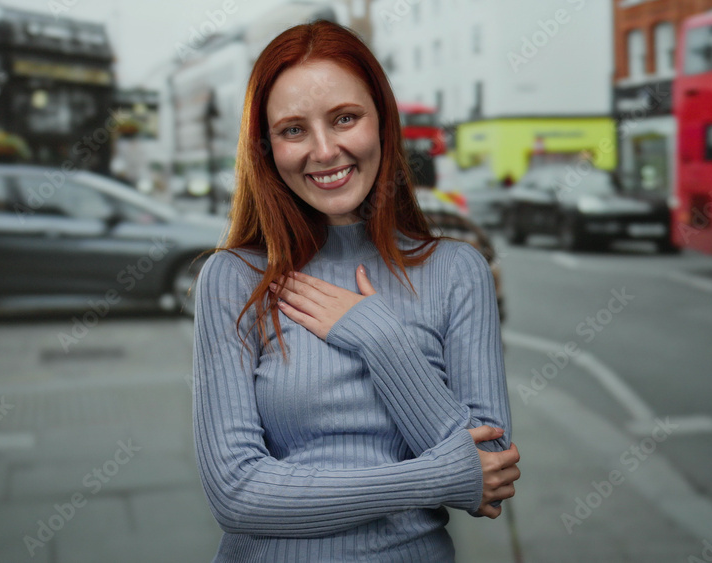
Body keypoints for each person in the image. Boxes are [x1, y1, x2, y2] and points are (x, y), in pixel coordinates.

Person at [191, 20, 519, 562]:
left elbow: (491, 469)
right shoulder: (233, 279)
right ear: (266, 149)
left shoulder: (458, 271)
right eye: (293, 130)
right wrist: (435, 476)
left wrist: (380, 340)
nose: (324, 150)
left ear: (383, 123)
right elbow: (238, 496)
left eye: (345, 118)